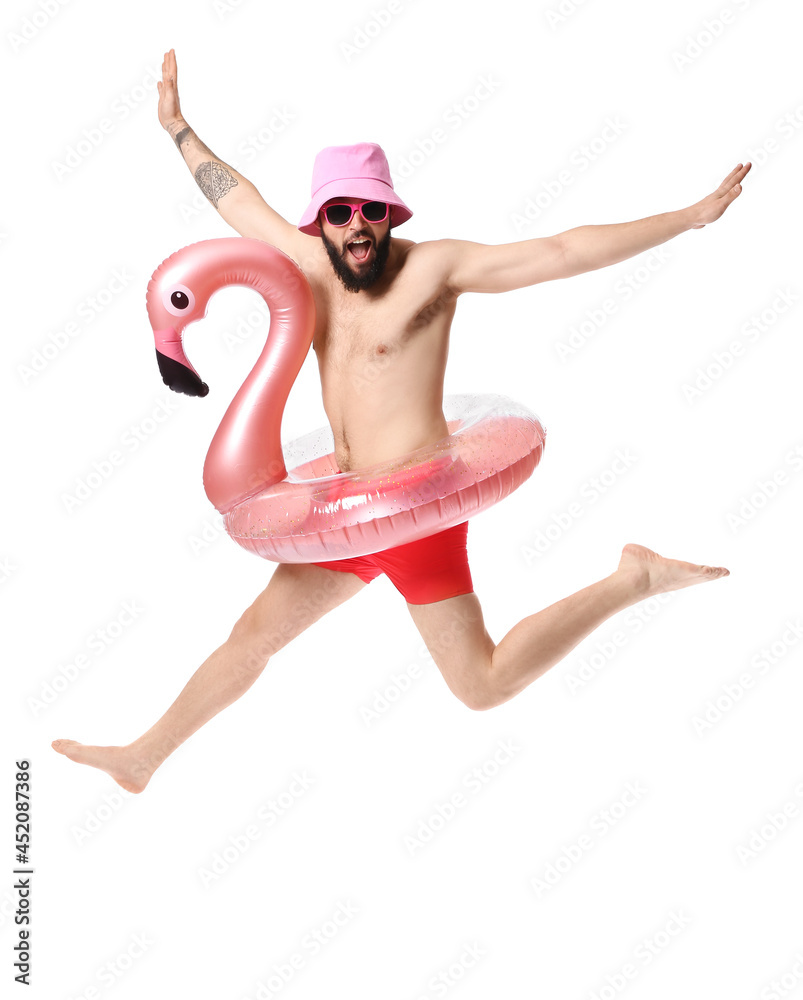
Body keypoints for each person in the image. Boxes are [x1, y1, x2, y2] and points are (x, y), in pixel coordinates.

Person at [52, 49, 747, 793]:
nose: (357, 227)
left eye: (371, 212)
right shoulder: (303, 265)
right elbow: (236, 200)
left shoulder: (433, 271)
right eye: (341, 213)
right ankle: (143, 757)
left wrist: (687, 218)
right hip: (348, 507)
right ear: (319, 220)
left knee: (479, 686)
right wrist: (179, 129)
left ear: (391, 214)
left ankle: (631, 579)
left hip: (417, 510)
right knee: (253, 637)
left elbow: (560, 250)